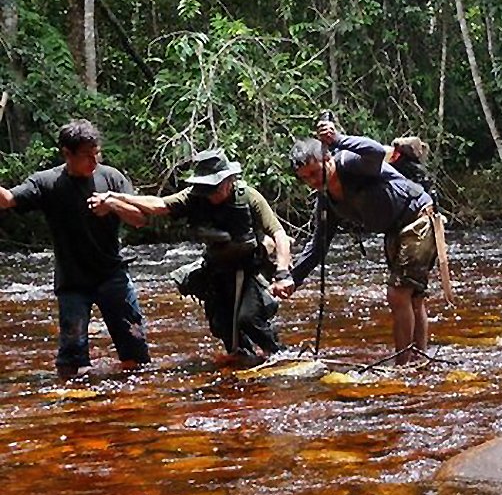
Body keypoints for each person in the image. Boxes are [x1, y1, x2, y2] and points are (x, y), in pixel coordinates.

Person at [104, 149, 291, 366]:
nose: (210, 194)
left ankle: (279, 356)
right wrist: (117, 197)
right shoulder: (195, 196)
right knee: (222, 325)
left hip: (246, 271)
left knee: (248, 319)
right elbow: (159, 205)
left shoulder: (249, 197)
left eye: (215, 188)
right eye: (207, 188)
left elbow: (279, 235)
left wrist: (283, 274)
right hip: (216, 272)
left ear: (229, 180)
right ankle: (243, 363)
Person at [273, 128, 437, 366]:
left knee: (398, 293)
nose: (313, 182)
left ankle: (404, 366)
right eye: (306, 178)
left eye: (315, 173)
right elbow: (318, 245)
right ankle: (418, 360)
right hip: (394, 229)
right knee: (412, 297)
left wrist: (339, 140)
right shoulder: (326, 200)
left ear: (327, 159)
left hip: (419, 217)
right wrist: (293, 279)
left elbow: (377, 151)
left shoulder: (350, 163)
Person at [0, 120, 150, 378]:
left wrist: (113, 204)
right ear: (67, 154)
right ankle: (78, 406)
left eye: (97, 154)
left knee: (136, 355)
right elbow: (7, 200)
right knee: (71, 361)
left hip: (112, 276)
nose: (94, 161)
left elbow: (139, 219)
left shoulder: (111, 177)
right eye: (86, 156)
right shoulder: (47, 183)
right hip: (73, 282)